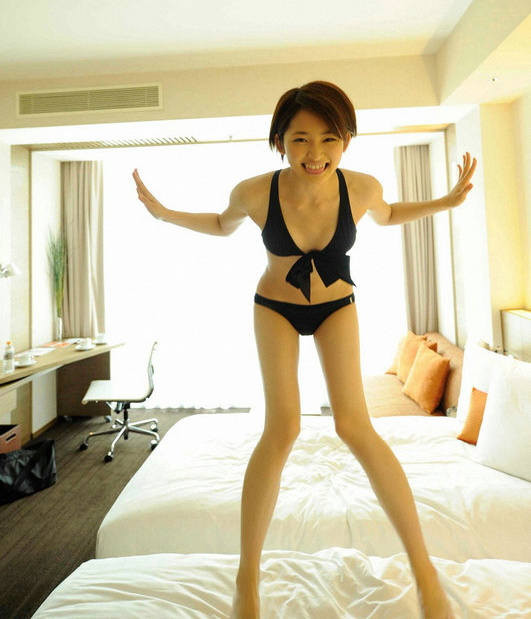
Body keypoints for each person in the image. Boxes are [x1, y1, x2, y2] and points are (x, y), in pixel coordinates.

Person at [133, 81, 476, 619]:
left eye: (328, 139)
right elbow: (221, 225)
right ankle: (246, 581)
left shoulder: (361, 188)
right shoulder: (254, 192)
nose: (315, 153)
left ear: (346, 140)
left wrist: (446, 201)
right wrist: (165, 214)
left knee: (355, 426)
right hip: (275, 307)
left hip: (337, 307)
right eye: (300, 139)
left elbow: (389, 214)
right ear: (280, 142)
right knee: (282, 428)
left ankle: (425, 574)